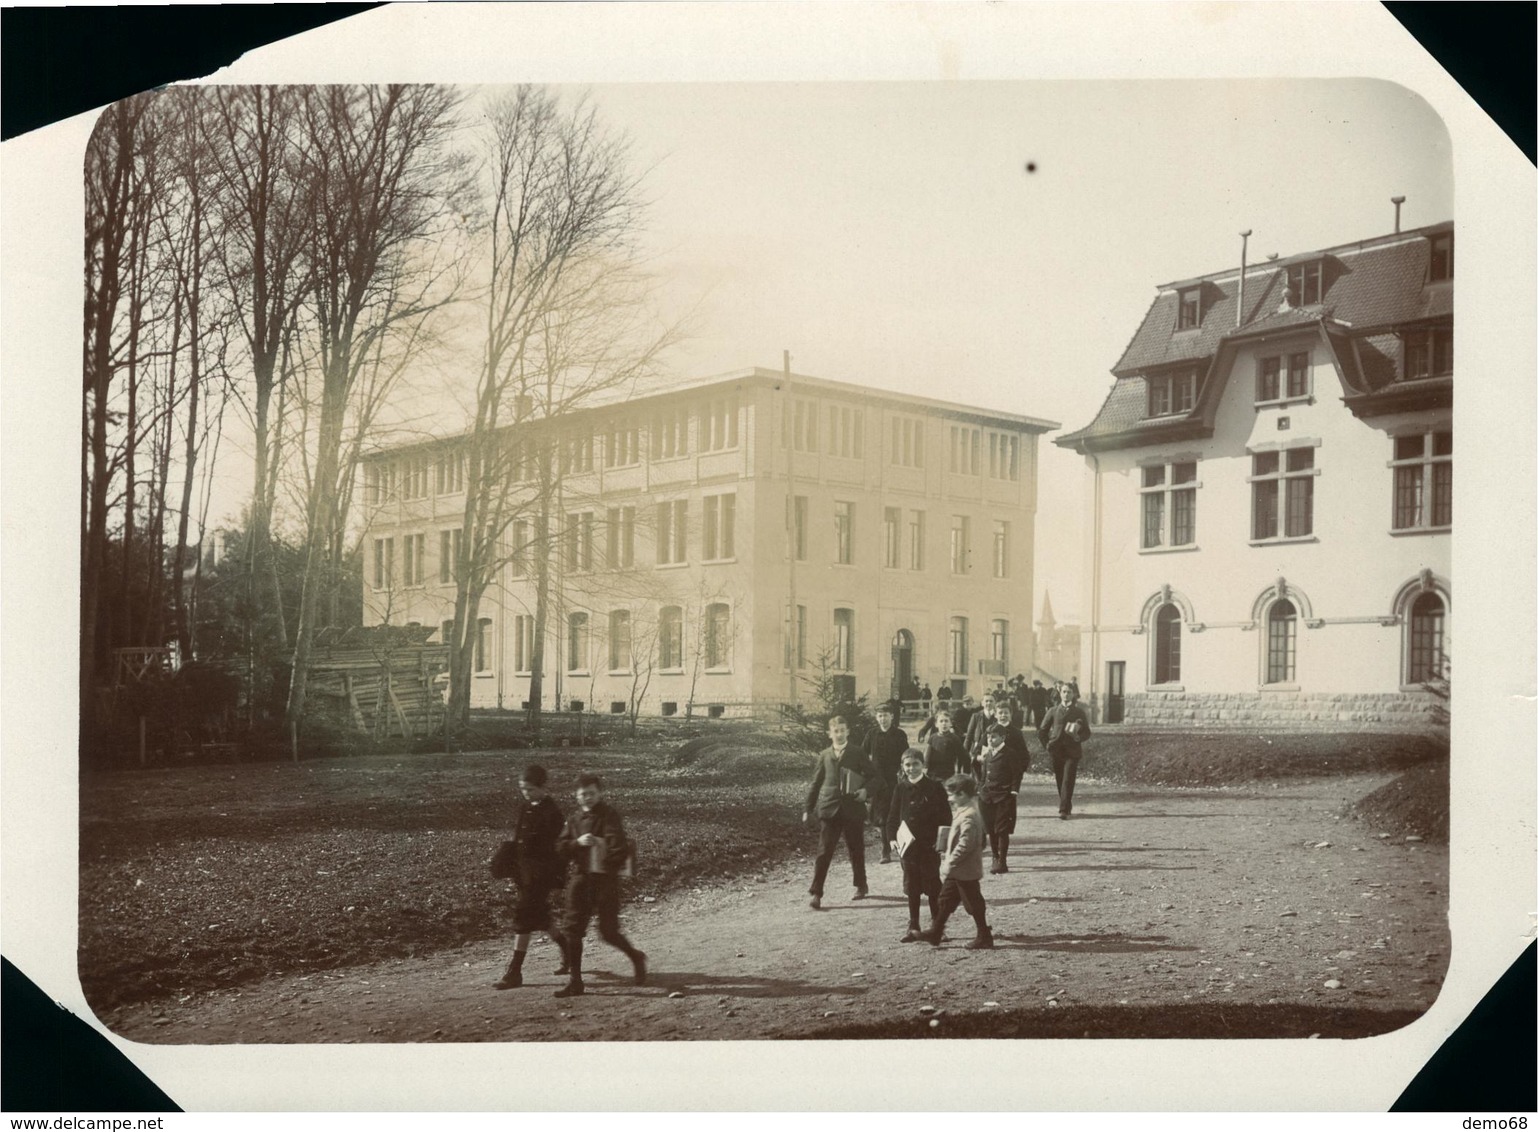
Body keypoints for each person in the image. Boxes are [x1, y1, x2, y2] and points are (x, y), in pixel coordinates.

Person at [552, 773, 646, 998]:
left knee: (608, 932)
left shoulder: (609, 815)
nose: (587, 798)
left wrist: (603, 852)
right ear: (576, 796)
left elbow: (619, 847)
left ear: (600, 793)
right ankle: (576, 981)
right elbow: (559, 847)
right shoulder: (574, 820)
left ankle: (636, 957)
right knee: (573, 929)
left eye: (592, 793)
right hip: (581, 879)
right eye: (583, 794)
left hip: (605, 880)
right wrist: (577, 843)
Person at [493, 764, 569, 990]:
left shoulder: (552, 813)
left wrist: (556, 879)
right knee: (540, 916)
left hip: (541, 875)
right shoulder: (525, 808)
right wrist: (511, 866)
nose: (526, 793)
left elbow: (560, 849)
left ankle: (514, 972)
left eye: (531, 789)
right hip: (524, 873)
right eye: (523, 789)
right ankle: (567, 948)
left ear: (543, 787)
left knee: (523, 917)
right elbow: (518, 840)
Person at [803, 715, 873, 908]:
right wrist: (807, 808)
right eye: (836, 731)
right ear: (830, 734)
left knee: (856, 849)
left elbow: (875, 777)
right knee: (824, 851)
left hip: (852, 809)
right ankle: (816, 893)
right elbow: (816, 783)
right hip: (829, 808)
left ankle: (861, 885)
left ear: (847, 732)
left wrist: (865, 791)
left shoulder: (858, 753)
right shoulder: (825, 755)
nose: (839, 734)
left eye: (842, 730)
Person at [916, 774, 993, 949]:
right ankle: (936, 931)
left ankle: (984, 935)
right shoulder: (964, 810)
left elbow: (966, 844)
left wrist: (950, 862)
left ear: (962, 794)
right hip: (959, 869)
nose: (949, 798)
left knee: (973, 903)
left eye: (951, 794)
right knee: (945, 900)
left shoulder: (970, 815)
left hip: (964, 869)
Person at [885, 748, 949, 942]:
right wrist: (892, 839)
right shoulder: (900, 788)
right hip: (909, 849)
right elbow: (892, 818)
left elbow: (946, 817)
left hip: (929, 847)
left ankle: (937, 928)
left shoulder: (935, 788)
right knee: (911, 886)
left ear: (924, 766)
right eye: (907, 765)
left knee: (932, 886)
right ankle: (913, 925)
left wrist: (942, 843)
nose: (911, 768)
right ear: (902, 768)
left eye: (915, 764)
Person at [978, 721, 1029, 873]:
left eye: (993, 737)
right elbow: (983, 775)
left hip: (1003, 797)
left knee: (1002, 829)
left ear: (1002, 738)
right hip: (987, 797)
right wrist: (980, 789)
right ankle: (994, 856)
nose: (990, 740)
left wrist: (1013, 791)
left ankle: (1002, 861)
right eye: (988, 737)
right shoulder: (988, 754)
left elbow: (1016, 774)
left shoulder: (1010, 754)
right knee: (991, 829)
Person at [863, 700, 909, 865]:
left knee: (896, 814)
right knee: (881, 816)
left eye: (886, 716)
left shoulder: (899, 735)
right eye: (880, 716)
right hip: (877, 782)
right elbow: (863, 755)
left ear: (892, 716)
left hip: (894, 781)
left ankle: (901, 846)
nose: (883, 719)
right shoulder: (872, 734)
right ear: (877, 717)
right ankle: (885, 850)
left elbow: (906, 757)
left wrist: (903, 773)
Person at [1038, 684, 1093, 819]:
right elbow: (1042, 731)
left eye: (1069, 692)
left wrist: (1078, 737)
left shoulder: (1079, 712)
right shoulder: (1053, 710)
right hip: (1056, 751)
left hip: (1072, 751)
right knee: (1060, 779)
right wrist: (1047, 745)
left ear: (1073, 694)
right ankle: (1066, 805)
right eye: (1064, 692)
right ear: (1060, 693)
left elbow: (1087, 732)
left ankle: (1063, 809)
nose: (1066, 694)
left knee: (1068, 779)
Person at [923, 708, 966, 781]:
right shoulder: (933, 737)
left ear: (950, 723)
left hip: (948, 773)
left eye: (946, 721)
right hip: (933, 773)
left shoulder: (954, 738)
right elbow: (927, 755)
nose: (944, 723)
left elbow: (962, 756)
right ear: (936, 724)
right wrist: (925, 768)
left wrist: (959, 772)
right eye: (941, 721)